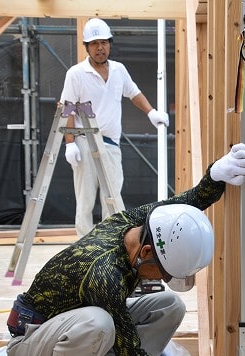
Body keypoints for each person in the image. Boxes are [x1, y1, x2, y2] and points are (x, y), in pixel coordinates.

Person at [6, 143, 245, 356]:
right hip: (31, 343)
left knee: (169, 305)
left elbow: (184, 205)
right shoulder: (103, 273)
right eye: (161, 272)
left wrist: (215, 176)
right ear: (147, 252)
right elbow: (132, 355)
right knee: (98, 321)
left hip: (64, 333)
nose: (160, 279)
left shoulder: (139, 224)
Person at [60, 17, 170, 238]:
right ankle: (85, 248)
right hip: (85, 141)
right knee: (85, 199)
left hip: (110, 143)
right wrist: (70, 144)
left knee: (113, 198)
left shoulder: (119, 70)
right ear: (87, 47)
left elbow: (133, 92)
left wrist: (151, 112)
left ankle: (114, 244)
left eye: (104, 42)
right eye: (94, 43)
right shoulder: (76, 73)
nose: (100, 48)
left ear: (110, 43)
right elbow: (67, 108)